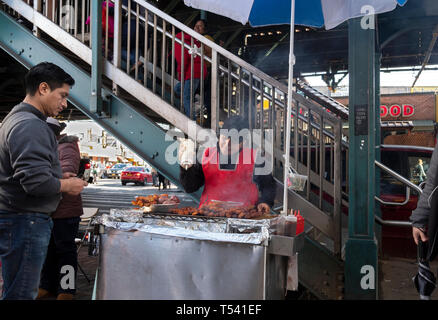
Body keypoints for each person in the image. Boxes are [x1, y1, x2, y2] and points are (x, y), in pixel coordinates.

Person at [0, 62, 87, 300]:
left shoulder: (17, 119)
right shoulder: (30, 124)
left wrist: (58, 177)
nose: (64, 104)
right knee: (20, 293)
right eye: (62, 96)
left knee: (16, 288)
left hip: (19, 220)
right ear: (43, 88)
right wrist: (68, 185)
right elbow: (35, 183)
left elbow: (26, 173)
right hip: (25, 221)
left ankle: (58, 288)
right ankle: (65, 290)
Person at [179, 116, 276, 211]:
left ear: (243, 142)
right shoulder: (205, 155)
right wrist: (186, 169)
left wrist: (265, 201)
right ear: (219, 136)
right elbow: (190, 187)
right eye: (224, 138)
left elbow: (268, 185)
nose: (227, 144)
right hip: (209, 214)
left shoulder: (254, 157)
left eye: (233, 140)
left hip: (245, 215)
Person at [38, 118, 84, 300]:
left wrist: (42, 173)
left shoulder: (68, 147)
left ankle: (67, 289)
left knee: (65, 251)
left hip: (65, 211)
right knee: (48, 250)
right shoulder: (49, 147)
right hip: (49, 210)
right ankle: (46, 285)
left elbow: (68, 171)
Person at [174, 19, 209, 119]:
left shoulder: (199, 41)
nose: (197, 27)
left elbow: (183, 58)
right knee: (177, 89)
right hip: (191, 72)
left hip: (194, 72)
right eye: (196, 25)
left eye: (200, 26)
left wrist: (181, 73)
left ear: (204, 30)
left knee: (186, 97)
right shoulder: (191, 40)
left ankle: (192, 121)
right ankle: (196, 99)